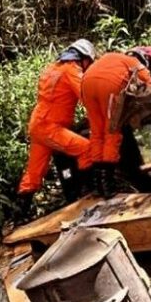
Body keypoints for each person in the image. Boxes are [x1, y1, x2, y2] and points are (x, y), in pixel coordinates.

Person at [16, 39, 97, 215]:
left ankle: (18, 217)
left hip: (38, 124)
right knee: (86, 149)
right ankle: (89, 196)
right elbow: (87, 95)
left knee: (33, 175)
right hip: (50, 127)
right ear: (83, 58)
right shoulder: (71, 70)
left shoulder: (52, 68)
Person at [81, 46, 151, 198]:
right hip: (108, 85)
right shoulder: (135, 63)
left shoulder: (110, 57)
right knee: (113, 131)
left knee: (97, 132)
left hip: (86, 82)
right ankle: (108, 184)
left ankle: (98, 182)